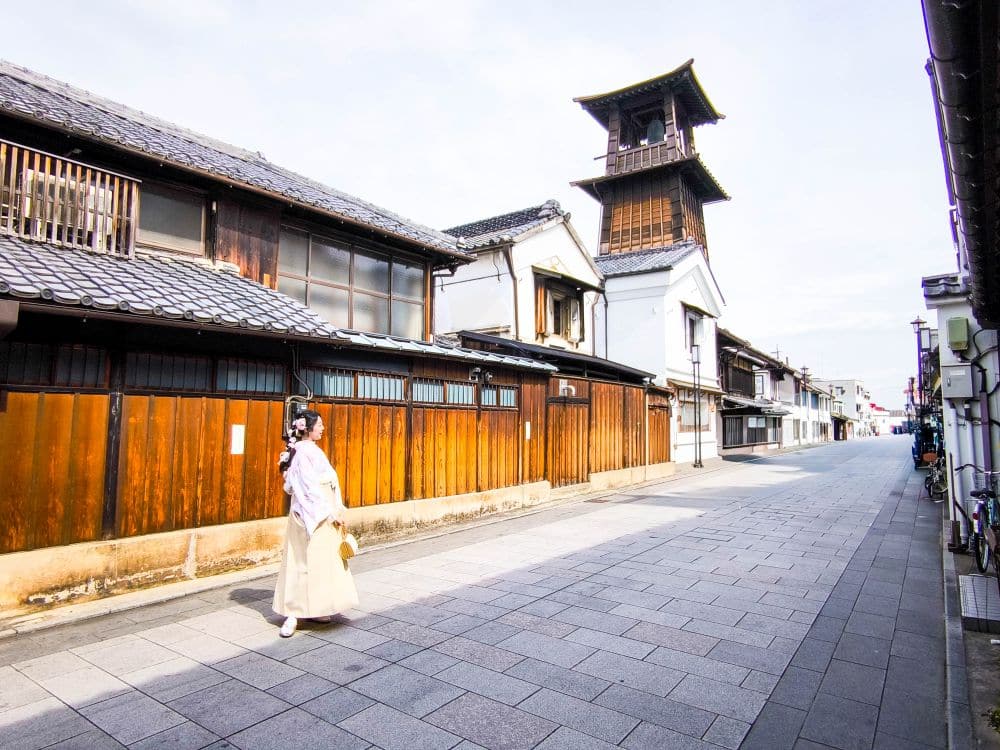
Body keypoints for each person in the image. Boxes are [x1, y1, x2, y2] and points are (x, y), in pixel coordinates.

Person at [272, 409, 358, 637]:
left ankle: (316, 607)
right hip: (310, 514)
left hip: (322, 511)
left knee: (318, 563)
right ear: (307, 429)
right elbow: (308, 489)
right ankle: (293, 612)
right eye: (319, 425)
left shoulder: (307, 451)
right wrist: (330, 513)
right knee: (301, 562)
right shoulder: (302, 453)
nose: (322, 428)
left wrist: (335, 509)